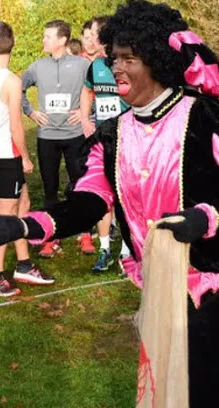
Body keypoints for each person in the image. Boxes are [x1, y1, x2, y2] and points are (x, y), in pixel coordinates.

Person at [0, 0, 219, 406]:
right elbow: (88, 201)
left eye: (128, 59)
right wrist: (23, 226)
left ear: (156, 63)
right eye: (113, 58)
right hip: (162, 295)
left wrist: (208, 218)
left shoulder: (207, 119)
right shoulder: (113, 134)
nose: (116, 67)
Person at [0, 21, 54, 295]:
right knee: (6, 215)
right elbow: (16, 127)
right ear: (13, 43)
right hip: (7, 155)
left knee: (24, 204)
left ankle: (23, 263)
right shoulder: (11, 81)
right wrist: (26, 159)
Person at [21, 20, 92, 257]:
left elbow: (97, 90)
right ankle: (50, 238)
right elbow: (16, 87)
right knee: (50, 188)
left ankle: (85, 235)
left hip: (74, 135)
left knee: (80, 185)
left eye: (48, 36)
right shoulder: (38, 66)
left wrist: (85, 114)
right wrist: (30, 111)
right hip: (47, 136)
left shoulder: (82, 65)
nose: (44, 40)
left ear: (62, 40)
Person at [78, 16, 131, 273]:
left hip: (127, 139)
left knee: (125, 196)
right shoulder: (95, 66)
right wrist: (85, 119)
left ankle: (127, 251)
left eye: (96, 34)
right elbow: (87, 91)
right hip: (101, 139)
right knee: (101, 195)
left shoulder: (128, 63)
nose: (92, 39)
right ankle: (104, 249)